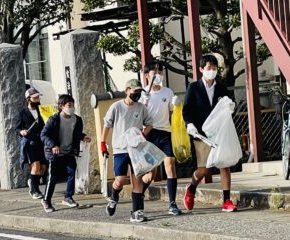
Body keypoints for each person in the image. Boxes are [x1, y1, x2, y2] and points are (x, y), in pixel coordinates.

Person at [182, 54, 237, 212]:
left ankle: (226, 200)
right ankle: (191, 188)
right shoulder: (194, 88)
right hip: (201, 133)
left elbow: (228, 104)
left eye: (214, 68)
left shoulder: (221, 87)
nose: (212, 71)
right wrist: (190, 124)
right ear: (201, 69)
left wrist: (231, 107)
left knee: (224, 165)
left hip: (220, 132)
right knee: (205, 169)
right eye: (208, 68)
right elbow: (187, 110)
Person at [101, 79, 153, 223]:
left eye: (139, 92)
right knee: (120, 180)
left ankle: (137, 212)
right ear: (127, 91)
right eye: (134, 91)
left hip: (136, 149)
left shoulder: (141, 107)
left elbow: (149, 124)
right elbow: (106, 125)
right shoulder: (116, 107)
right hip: (120, 149)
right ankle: (113, 197)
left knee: (137, 182)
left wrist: (142, 135)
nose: (137, 94)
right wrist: (102, 143)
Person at [140, 62, 182, 215]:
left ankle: (172, 203)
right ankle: (138, 194)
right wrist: (143, 102)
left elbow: (173, 110)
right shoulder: (143, 94)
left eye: (160, 72)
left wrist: (176, 104)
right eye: (154, 72)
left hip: (165, 132)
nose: (158, 75)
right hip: (150, 134)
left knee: (170, 166)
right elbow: (138, 117)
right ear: (146, 76)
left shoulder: (167, 92)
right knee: (151, 174)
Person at [40, 94, 91, 213]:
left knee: (72, 173)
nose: (71, 108)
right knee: (53, 177)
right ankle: (46, 200)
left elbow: (76, 134)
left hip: (69, 151)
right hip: (55, 152)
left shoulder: (77, 120)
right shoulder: (54, 119)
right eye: (69, 105)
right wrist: (53, 145)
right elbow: (44, 134)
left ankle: (68, 197)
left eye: (72, 105)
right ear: (61, 106)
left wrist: (83, 137)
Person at [16, 88, 47, 200]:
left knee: (43, 168)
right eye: (35, 97)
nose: (37, 99)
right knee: (36, 165)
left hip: (41, 142)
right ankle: (35, 191)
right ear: (28, 99)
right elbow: (17, 128)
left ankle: (32, 181)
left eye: (38, 97)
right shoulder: (23, 113)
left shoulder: (42, 110)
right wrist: (21, 131)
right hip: (30, 143)